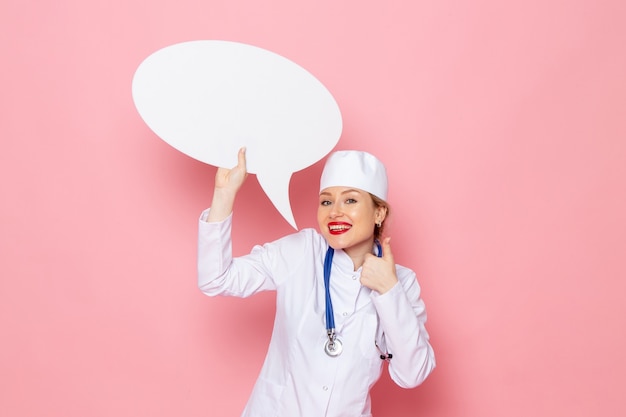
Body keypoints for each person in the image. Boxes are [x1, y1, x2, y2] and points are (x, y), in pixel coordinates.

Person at [197, 148, 435, 417]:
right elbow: (216, 279)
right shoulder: (302, 251)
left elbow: (412, 374)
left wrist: (388, 291)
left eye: (350, 201)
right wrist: (224, 194)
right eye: (326, 202)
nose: (335, 212)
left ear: (379, 213)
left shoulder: (402, 282)